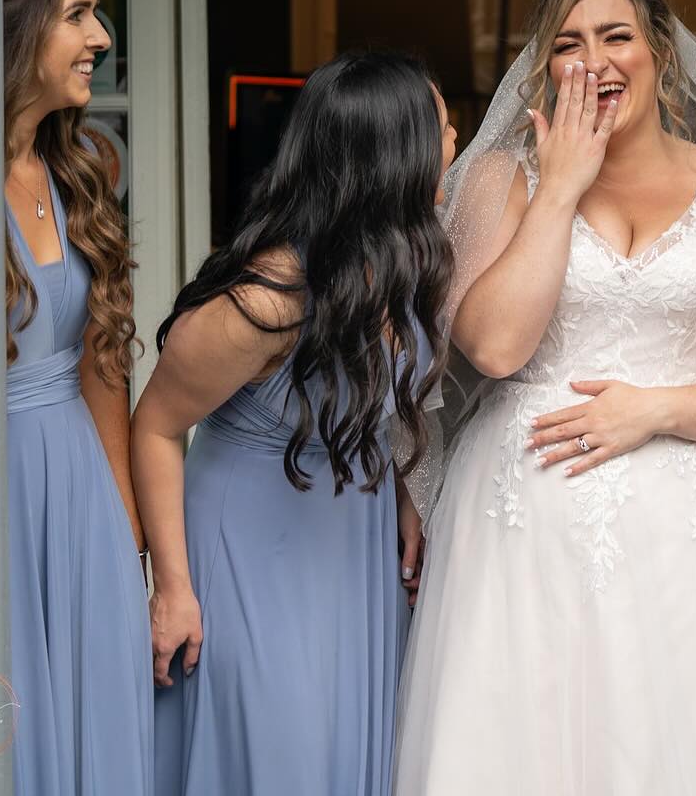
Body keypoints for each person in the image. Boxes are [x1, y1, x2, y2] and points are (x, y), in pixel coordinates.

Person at [393, 0, 696, 795]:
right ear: (543, 68)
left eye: (617, 36)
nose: (594, 61)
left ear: (660, 50)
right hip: (526, 522)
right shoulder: (500, 177)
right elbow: (494, 347)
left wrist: (655, 411)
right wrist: (559, 190)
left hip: (695, 528)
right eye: (568, 44)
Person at [136, 52, 456, 796]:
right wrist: (172, 588)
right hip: (254, 557)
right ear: (393, 156)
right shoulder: (267, 301)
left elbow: (379, 406)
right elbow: (153, 427)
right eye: (440, 127)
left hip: (354, 553)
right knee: (284, 758)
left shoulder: (404, 264)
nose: (453, 141)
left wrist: (405, 493)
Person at [1, 0, 151, 795]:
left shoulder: (76, 172)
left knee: (99, 728)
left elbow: (105, 370)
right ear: (19, 25)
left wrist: (126, 545)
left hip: (84, 498)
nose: (100, 37)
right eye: (79, 16)